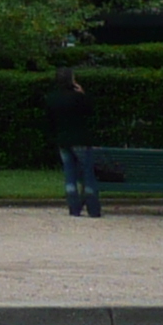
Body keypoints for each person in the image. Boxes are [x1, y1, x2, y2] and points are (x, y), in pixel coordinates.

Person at [43, 64, 100, 218]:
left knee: (70, 174)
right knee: (87, 174)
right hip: (81, 139)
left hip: (63, 139)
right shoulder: (77, 97)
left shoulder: (52, 98)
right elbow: (90, 112)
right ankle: (93, 209)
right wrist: (83, 94)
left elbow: (50, 121)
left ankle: (74, 209)